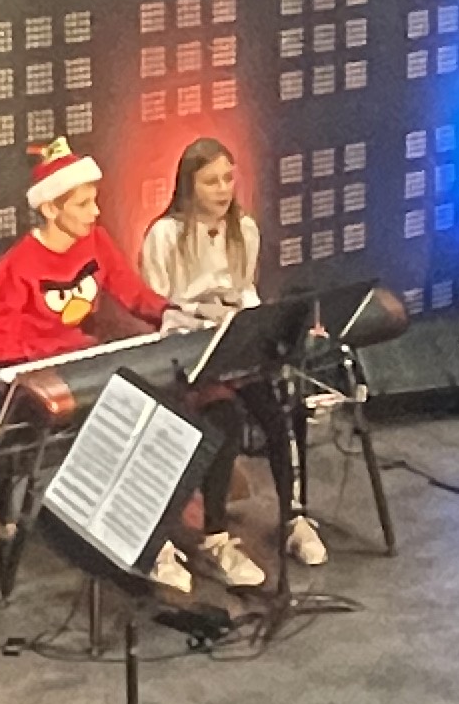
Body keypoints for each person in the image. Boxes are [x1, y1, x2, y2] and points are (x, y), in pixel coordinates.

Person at [0, 133, 262, 595]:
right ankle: (149, 544)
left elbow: (134, 294)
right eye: (83, 204)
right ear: (50, 208)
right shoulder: (17, 266)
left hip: (98, 362)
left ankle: (208, 537)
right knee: (143, 424)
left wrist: (174, 315)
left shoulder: (95, 241)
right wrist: (53, 356)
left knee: (217, 412)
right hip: (55, 381)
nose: (95, 212)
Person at [134, 135, 326, 571]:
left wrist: (253, 322)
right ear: (189, 185)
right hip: (192, 355)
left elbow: (246, 291)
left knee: (278, 416)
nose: (222, 190)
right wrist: (199, 315)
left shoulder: (245, 229)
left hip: (236, 346)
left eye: (227, 179)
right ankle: (216, 537)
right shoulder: (165, 235)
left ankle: (293, 517)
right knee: (224, 422)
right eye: (211, 181)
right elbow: (156, 306)